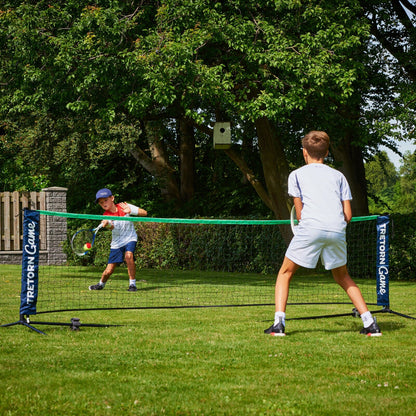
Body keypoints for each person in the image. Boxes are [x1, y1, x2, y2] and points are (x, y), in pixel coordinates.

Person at [264, 131, 382, 337]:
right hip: (337, 229)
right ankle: (370, 323)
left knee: (285, 273)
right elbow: (348, 215)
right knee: (343, 276)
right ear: (326, 153)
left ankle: (278, 325)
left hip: (310, 228)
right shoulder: (339, 176)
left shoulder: (296, 175)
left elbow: (300, 214)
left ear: (304, 153)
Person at [89, 188, 148, 292]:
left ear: (112, 198)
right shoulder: (106, 216)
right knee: (109, 270)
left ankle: (132, 285)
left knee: (129, 256)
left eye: (105, 200)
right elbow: (111, 227)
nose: (103, 204)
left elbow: (145, 213)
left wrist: (131, 212)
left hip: (130, 238)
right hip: (117, 243)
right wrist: (107, 224)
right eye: (101, 203)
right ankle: (101, 284)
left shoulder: (125, 206)